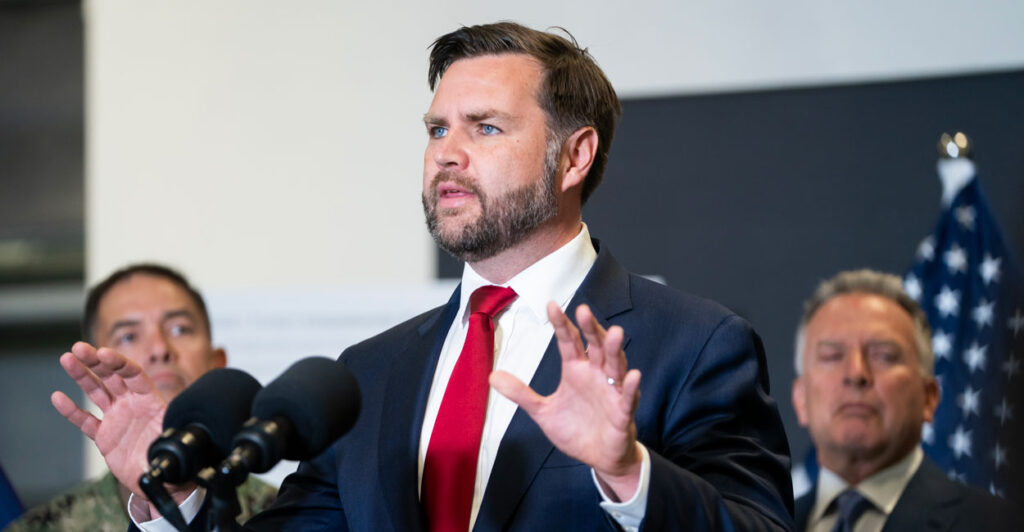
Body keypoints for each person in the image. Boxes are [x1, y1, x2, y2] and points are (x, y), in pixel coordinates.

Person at [53, 23, 793, 531]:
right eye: (438, 129)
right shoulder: (366, 376)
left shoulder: (692, 344)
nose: (446, 153)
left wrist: (629, 473)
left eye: (485, 127)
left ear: (574, 157)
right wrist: (177, 494)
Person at [8, 264, 277, 532]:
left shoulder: (284, 514)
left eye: (180, 329)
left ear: (217, 364)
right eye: (128, 336)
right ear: (94, 375)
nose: (159, 349)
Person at [791, 269, 1016, 532]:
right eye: (832, 356)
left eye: (884, 355)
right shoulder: (765, 525)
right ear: (801, 398)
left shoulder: (1000, 525)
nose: (856, 373)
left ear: (929, 398)